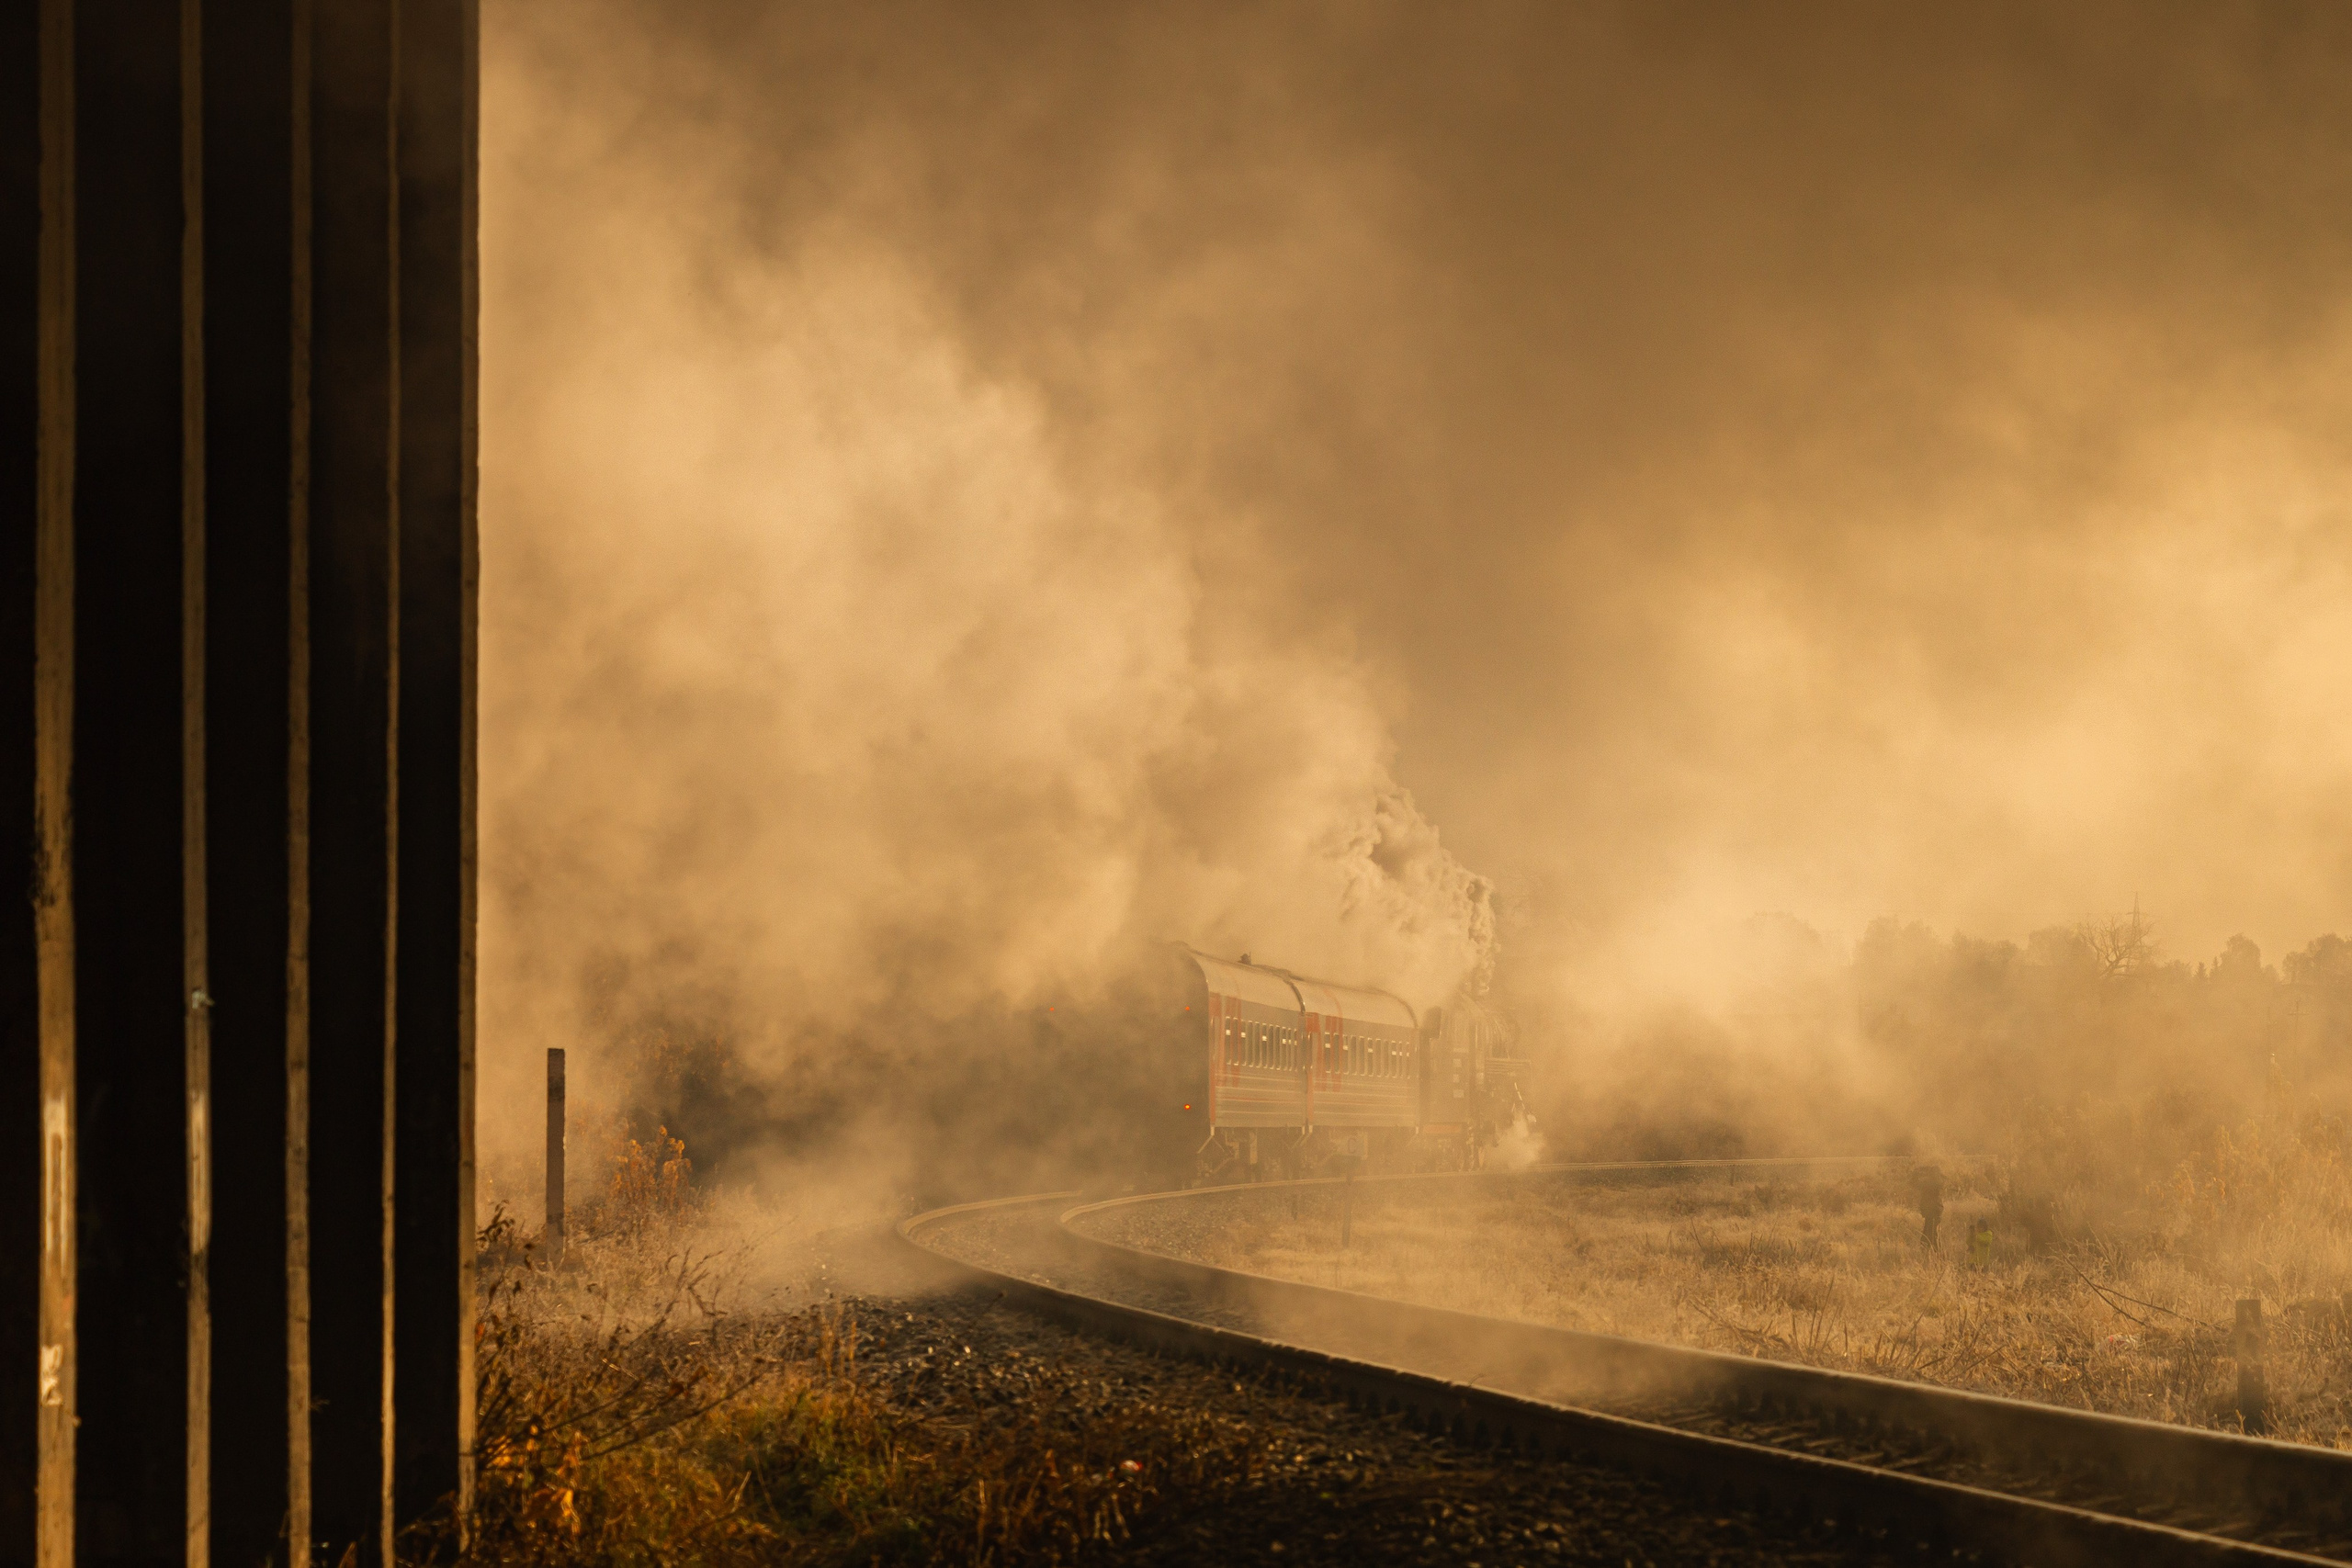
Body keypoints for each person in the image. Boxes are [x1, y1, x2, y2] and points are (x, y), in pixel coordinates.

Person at [1910, 1164, 1945, 1250]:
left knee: (1930, 1237)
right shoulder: (1937, 1182)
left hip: (1932, 1213)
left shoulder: (1930, 1183)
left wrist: (1917, 1173)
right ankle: (1935, 1255)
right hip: (1934, 1213)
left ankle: (1936, 1255)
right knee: (1931, 1236)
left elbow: (1913, 1183)